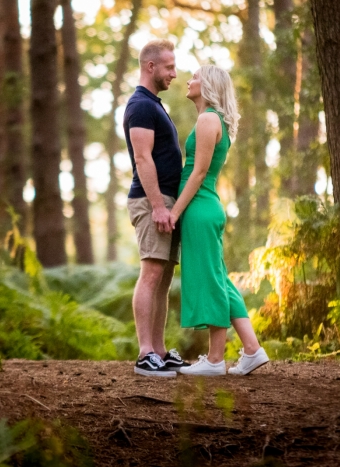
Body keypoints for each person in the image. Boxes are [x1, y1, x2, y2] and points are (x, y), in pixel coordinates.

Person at [169, 65, 269, 376]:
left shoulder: (208, 119)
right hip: (205, 207)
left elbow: (198, 173)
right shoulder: (214, 120)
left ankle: (214, 360)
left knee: (212, 281)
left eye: (195, 76)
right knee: (221, 280)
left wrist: (174, 212)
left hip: (199, 208)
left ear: (209, 85)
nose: (188, 80)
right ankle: (252, 350)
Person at [125, 40, 189, 377]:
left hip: (165, 201)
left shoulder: (155, 105)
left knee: (163, 278)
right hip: (152, 201)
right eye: (169, 67)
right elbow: (142, 157)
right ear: (151, 67)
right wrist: (157, 206)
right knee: (151, 272)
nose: (174, 74)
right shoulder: (140, 106)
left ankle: (160, 351)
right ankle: (145, 353)